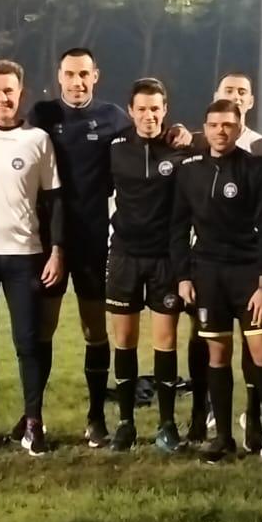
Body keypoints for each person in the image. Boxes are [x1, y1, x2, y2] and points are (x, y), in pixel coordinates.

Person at [0, 60, 63, 455]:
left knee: (27, 343)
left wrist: (56, 251)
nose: (2, 97)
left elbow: (54, 201)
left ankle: (33, 422)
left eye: (9, 91)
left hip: (24, 256)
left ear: (21, 94)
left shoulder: (37, 140)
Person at [29, 48, 131, 448]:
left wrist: (178, 134)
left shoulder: (112, 118)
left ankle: (95, 417)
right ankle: (33, 416)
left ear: (96, 75)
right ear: (59, 76)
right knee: (43, 328)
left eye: (84, 74)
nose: (77, 82)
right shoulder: (42, 115)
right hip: (46, 243)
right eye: (70, 74)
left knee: (94, 329)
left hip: (92, 241)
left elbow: (147, 140)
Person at [173, 98, 262, 464]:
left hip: (249, 274)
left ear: (239, 128)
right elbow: (178, 227)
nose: (221, 131)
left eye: (228, 125)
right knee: (217, 356)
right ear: (204, 128)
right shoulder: (189, 171)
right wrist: (184, 277)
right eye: (214, 125)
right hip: (208, 275)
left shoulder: (258, 170)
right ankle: (221, 436)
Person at [105, 79, 190, 453]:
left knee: (165, 342)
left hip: (165, 259)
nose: (149, 115)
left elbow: (217, 144)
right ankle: (125, 424)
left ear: (165, 109)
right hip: (123, 255)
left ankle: (167, 424)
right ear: (131, 110)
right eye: (142, 109)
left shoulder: (179, 148)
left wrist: (193, 134)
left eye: (155, 109)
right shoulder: (115, 148)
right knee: (123, 341)